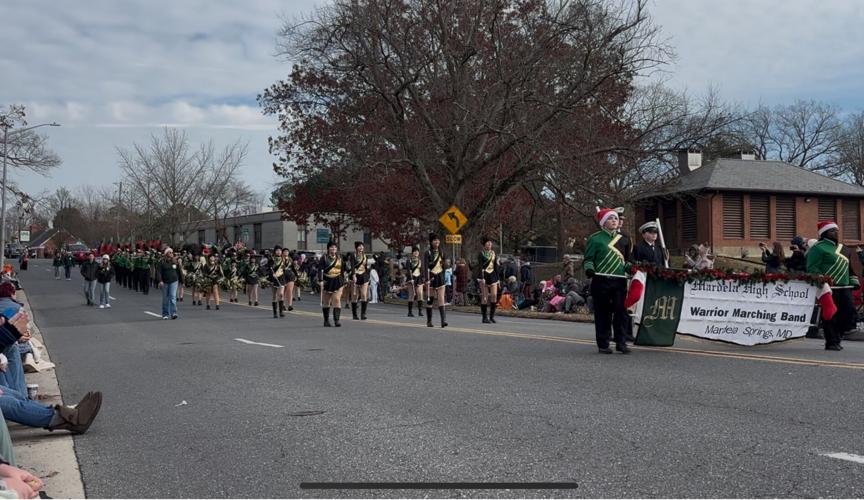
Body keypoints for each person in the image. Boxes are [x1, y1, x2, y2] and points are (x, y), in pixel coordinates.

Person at [584, 208, 631, 354]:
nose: (614, 221)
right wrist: (590, 269)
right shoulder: (595, 239)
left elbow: (629, 259)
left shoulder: (624, 239)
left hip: (619, 281)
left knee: (620, 312)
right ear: (604, 222)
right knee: (603, 313)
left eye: (616, 219)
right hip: (601, 280)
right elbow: (588, 259)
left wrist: (631, 268)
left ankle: (621, 342)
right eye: (610, 219)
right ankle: (603, 343)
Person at [808, 221, 859, 351]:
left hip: (845, 287)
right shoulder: (818, 248)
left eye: (837, 230)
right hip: (829, 288)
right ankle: (831, 341)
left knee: (848, 314)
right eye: (832, 231)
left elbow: (849, 268)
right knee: (831, 315)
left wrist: (853, 282)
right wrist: (820, 278)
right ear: (824, 233)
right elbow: (812, 267)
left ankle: (839, 336)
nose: (836, 233)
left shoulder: (845, 249)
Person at [423, 233, 448, 328]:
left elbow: (444, 266)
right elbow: (425, 267)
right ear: (431, 242)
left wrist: (444, 265)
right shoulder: (427, 253)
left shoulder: (442, 252)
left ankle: (443, 321)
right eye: (434, 240)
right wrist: (426, 279)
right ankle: (429, 321)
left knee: (441, 298)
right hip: (431, 277)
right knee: (431, 300)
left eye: (438, 240)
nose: (437, 242)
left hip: (440, 277)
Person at [319, 240, 345, 327]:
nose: (333, 248)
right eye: (331, 247)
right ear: (328, 248)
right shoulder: (324, 258)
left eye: (335, 247)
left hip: (338, 280)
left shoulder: (340, 258)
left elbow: (343, 270)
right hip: (327, 280)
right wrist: (321, 280)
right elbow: (320, 270)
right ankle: (326, 320)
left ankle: (336, 320)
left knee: (337, 299)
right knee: (326, 302)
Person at [476, 236, 500, 324]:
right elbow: (480, 267)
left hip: (493, 275)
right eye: (487, 242)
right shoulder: (481, 253)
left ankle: (492, 316)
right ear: (484, 244)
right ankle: (484, 317)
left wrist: (498, 279)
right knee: (485, 297)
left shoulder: (494, 253)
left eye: (490, 242)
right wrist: (482, 278)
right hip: (484, 275)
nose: (489, 244)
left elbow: (496, 266)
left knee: (494, 295)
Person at [347, 242, 371, 320]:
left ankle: (363, 314)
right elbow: (352, 266)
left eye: (362, 246)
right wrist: (353, 275)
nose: (361, 248)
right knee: (355, 296)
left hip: (364, 276)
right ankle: (354, 314)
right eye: (359, 246)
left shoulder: (365, 256)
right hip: (355, 276)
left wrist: (368, 276)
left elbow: (366, 267)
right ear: (356, 247)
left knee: (364, 295)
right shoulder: (353, 255)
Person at [156, 248, 181, 320]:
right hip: (165, 282)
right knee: (165, 299)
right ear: (166, 254)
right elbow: (159, 272)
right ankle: (165, 314)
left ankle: (174, 313)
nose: (171, 254)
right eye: (170, 252)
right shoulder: (161, 262)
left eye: (172, 252)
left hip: (174, 281)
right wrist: (160, 280)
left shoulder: (174, 261)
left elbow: (179, 271)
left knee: (173, 297)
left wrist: (182, 280)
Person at [268, 246, 287, 319]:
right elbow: (268, 268)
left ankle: (281, 312)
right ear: (275, 251)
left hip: (281, 278)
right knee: (274, 296)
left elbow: (285, 269)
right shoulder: (271, 260)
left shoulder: (283, 259)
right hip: (273, 278)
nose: (278, 252)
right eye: (277, 250)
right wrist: (272, 274)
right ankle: (275, 313)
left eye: (280, 250)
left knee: (281, 294)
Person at [405, 246, 424, 318]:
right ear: (412, 253)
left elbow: (422, 270)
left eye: (417, 251)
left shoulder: (420, 261)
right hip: (411, 278)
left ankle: (420, 311)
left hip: (419, 278)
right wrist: (411, 278)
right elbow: (408, 270)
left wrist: (423, 278)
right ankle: (410, 312)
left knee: (420, 294)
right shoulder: (409, 261)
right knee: (412, 295)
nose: (416, 252)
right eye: (415, 251)